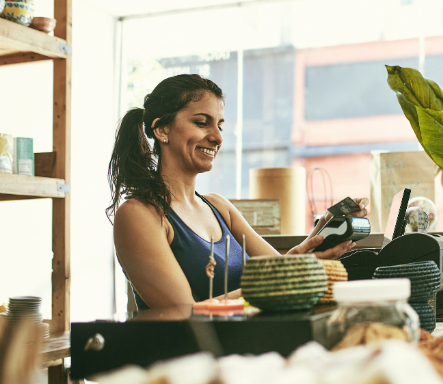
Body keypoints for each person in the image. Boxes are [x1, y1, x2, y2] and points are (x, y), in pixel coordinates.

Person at [107, 74, 368, 310]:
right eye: (201, 123)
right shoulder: (139, 215)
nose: (218, 137)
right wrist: (269, 285)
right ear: (162, 130)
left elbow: (280, 271)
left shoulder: (219, 207)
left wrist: (320, 234)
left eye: (219, 125)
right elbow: (185, 313)